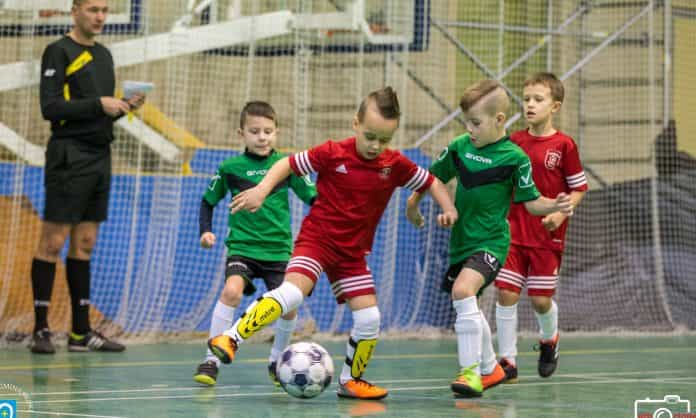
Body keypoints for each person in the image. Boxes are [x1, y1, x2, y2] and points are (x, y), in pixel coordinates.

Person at [208, 86, 458, 400]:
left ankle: (350, 381)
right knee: (292, 293)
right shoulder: (332, 152)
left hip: (352, 255)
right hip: (317, 241)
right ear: (356, 124)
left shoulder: (393, 164)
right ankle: (230, 338)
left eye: (384, 139)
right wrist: (261, 190)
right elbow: (287, 165)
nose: (375, 145)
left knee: (370, 318)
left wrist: (447, 208)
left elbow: (431, 181)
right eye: (370, 136)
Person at [406, 79, 573, 398]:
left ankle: (470, 372)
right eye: (466, 123)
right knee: (465, 302)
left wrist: (554, 204)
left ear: (499, 120)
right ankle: (491, 367)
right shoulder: (460, 147)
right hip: (461, 243)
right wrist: (414, 204)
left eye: (476, 123)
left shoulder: (515, 158)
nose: (470, 129)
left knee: (463, 291)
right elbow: (433, 178)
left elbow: (531, 202)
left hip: (493, 243)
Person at [30, 0, 145, 354]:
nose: (100, 16)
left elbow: (99, 112)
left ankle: (80, 333)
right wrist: (100, 104)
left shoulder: (104, 55)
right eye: (93, 9)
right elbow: (50, 108)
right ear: (75, 10)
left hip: (99, 156)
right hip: (68, 155)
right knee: (53, 242)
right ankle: (40, 329)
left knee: (85, 243)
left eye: (105, 10)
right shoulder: (58, 51)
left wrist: (123, 107)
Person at [193, 101, 317, 386]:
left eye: (268, 131)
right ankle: (211, 360)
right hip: (243, 248)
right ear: (241, 134)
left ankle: (277, 360)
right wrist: (205, 231)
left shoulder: (287, 166)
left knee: (289, 307)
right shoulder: (230, 168)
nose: (262, 137)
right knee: (231, 292)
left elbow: (314, 198)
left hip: (279, 250)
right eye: (255, 131)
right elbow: (207, 201)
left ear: (277, 132)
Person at [493, 73, 588, 382]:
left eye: (538, 99)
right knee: (506, 293)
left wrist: (560, 215)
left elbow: (579, 188)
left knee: (540, 300)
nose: (530, 105)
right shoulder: (514, 142)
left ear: (555, 106)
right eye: (526, 99)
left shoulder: (564, 145)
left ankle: (550, 340)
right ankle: (507, 361)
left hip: (547, 237)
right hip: (512, 233)